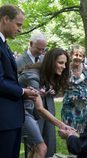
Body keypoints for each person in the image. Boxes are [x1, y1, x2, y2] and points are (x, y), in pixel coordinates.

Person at [0, 4, 38, 158]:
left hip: (10, 118)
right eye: (18, 24)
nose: (20, 29)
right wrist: (22, 91)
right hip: (3, 120)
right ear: (5, 19)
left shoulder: (4, 44)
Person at [18, 48, 70, 157]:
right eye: (60, 63)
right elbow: (39, 108)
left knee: (35, 148)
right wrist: (61, 125)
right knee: (41, 148)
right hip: (21, 113)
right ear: (50, 62)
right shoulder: (33, 76)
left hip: (29, 113)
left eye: (65, 63)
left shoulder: (46, 74)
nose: (64, 67)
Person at [61, 45, 87, 133]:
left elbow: (86, 84)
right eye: (76, 55)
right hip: (69, 105)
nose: (78, 57)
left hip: (83, 104)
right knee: (69, 130)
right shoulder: (65, 69)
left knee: (84, 129)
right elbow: (62, 85)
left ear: (83, 57)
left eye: (80, 55)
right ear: (71, 55)